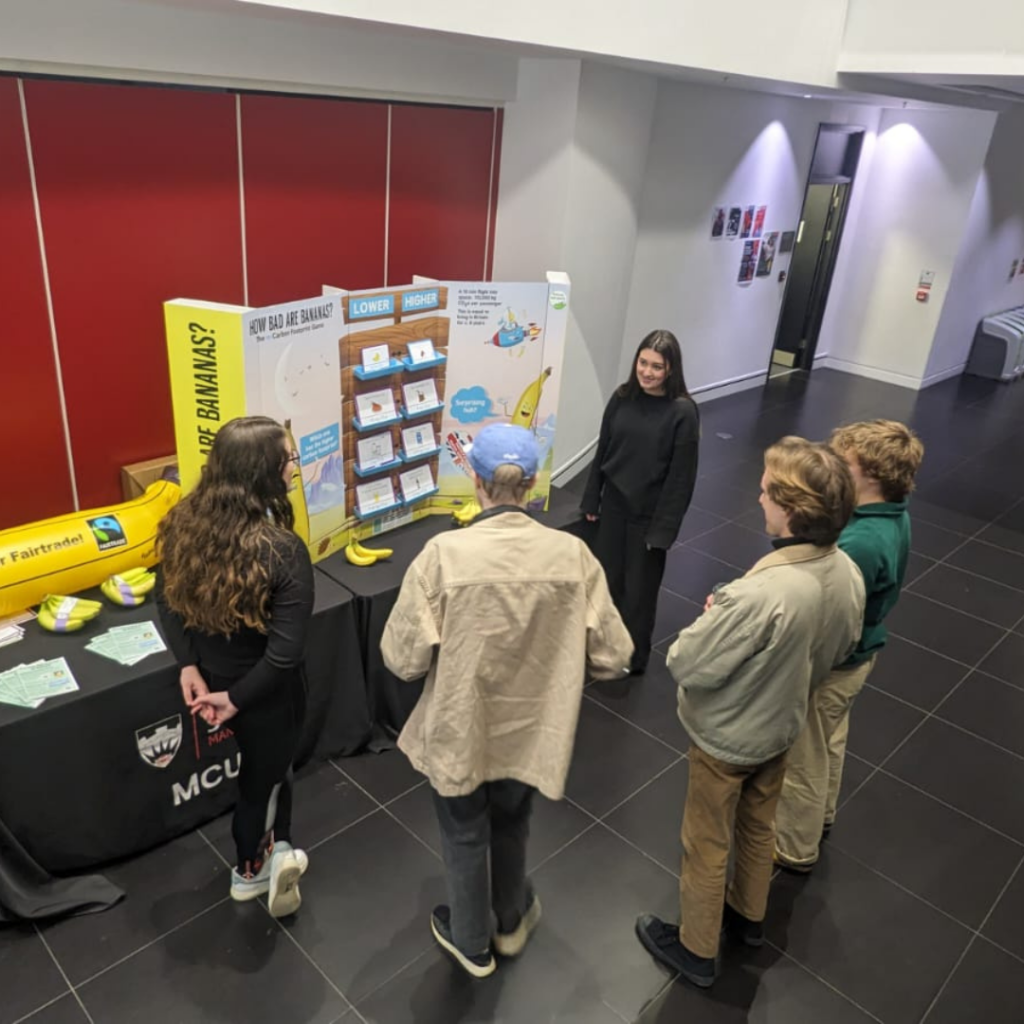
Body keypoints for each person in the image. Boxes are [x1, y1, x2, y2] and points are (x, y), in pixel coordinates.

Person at [381, 423, 633, 979]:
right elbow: (615, 656)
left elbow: (402, 659)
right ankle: (512, 919)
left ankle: (471, 942)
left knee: (464, 827)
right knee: (513, 817)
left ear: (475, 481)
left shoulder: (442, 556)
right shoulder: (574, 556)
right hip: (533, 728)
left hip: (461, 725)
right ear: (535, 483)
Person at [635, 437, 865, 989]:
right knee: (760, 827)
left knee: (707, 840)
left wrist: (719, 615)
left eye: (766, 493)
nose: (758, 498)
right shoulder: (848, 572)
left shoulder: (762, 594)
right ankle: (748, 918)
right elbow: (841, 648)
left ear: (791, 511)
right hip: (783, 727)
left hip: (727, 740)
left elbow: (687, 661)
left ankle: (694, 948)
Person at [156, 416, 314, 918]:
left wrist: (189, 667)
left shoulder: (183, 521)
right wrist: (237, 699)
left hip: (219, 679)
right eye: (289, 459)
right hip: (264, 693)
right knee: (261, 782)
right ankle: (250, 869)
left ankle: (278, 843)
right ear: (263, 472)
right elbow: (284, 656)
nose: (295, 466)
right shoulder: (282, 551)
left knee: (268, 773)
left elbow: (164, 599)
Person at [774, 420, 924, 872]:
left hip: (836, 664)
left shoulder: (860, 542)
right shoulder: (895, 515)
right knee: (829, 741)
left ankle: (794, 847)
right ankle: (821, 817)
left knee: (802, 756)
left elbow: (827, 609)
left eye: (846, 462)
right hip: (860, 658)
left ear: (872, 474)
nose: (836, 466)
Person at [581, 329, 700, 675]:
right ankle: (603, 648)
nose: (647, 372)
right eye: (643, 363)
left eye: (657, 367)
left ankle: (633, 658)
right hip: (614, 506)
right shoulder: (621, 398)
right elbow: (603, 450)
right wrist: (592, 498)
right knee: (608, 583)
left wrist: (662, 531)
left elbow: (681, 479)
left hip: (649, 516)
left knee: (639, 593)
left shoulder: (683, 413)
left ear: (671, 370)